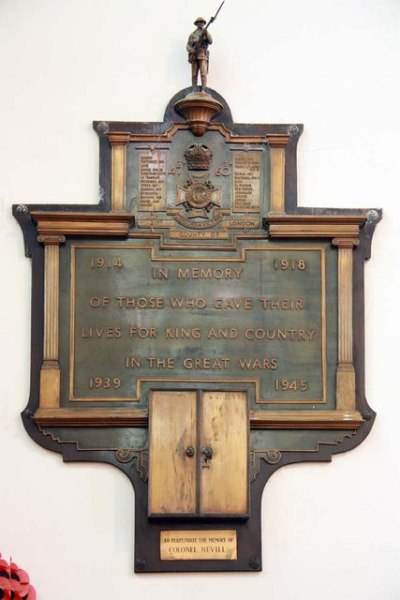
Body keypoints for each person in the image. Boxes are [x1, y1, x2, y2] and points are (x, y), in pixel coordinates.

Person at [186, 17, 213, 92]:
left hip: (202, 54)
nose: (200, 23)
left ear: (204, 24)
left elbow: (211, 42)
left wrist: (206, 33)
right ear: (196, 24)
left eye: (202, 22)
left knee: (203, 73)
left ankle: (203, 90)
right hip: (194, 55)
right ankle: (194, 89)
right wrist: (191, 50)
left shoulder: (206, 32)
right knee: (194, 74)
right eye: (199, 22)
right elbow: (188, 45)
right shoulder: (193, 34)